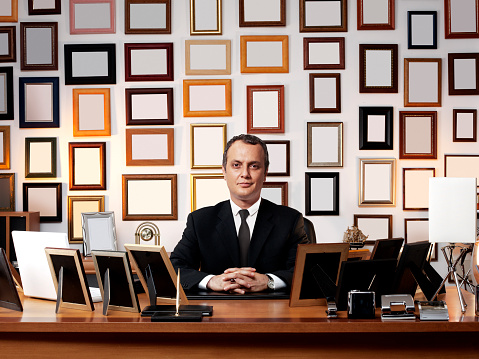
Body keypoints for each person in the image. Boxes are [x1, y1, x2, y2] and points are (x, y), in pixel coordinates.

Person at [170, 134, 308, 294]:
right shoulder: (200, 220)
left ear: (265, 173)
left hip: (273, 312)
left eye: (254, 166)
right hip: (217, 311)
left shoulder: (290, 220)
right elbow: (175, 267)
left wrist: (269, 281)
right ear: (224, 171)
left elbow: (305, 271)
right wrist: (211, 281)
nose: (245, 174)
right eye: (236, 165)